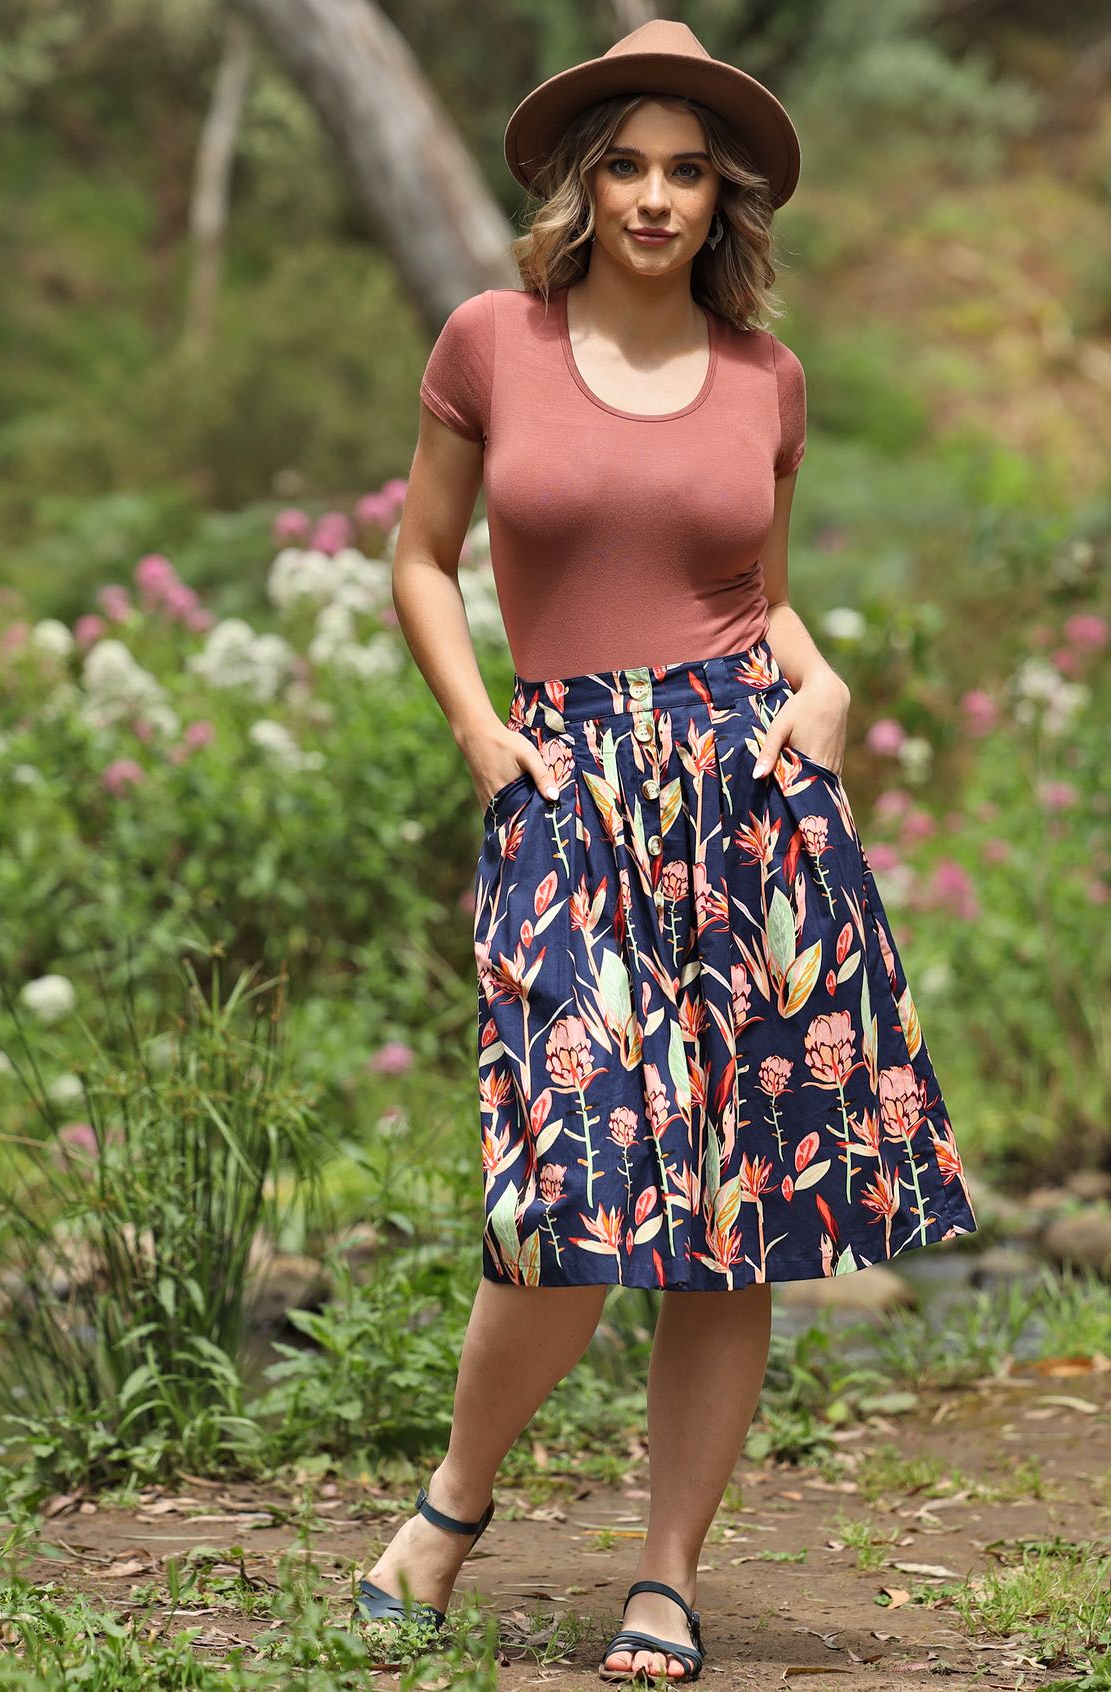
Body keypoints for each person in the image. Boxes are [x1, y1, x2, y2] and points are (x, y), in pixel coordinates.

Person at [356, 18, 980, 1684]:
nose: (652, 196)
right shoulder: (492, 342)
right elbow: (420, 557)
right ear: (583, 184)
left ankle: (668, 1576)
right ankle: (450, 1507)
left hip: (749, 802)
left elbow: (757, 598)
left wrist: (825, 686)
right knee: (563, 1186)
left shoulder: (769, 378)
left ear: (722, 200)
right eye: (625, 165)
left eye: (685, 171)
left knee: (735, 1202)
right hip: (571, 791)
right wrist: (483, 735)